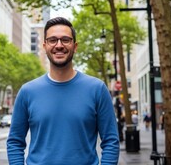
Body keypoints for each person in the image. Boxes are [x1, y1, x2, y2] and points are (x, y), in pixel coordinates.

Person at [7, 17, 120, 165]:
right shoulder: (27, 91)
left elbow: (111, 141)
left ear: (75, 46)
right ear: (44, 46)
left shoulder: (97, 89)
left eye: (65, 40)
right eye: (52, 40)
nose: (59, 45)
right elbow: (15, 142)